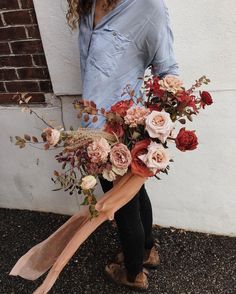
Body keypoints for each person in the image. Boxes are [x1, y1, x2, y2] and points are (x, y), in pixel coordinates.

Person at [67, 0, 179, 291]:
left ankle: (133, 273)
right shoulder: (88, 6)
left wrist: (158, 127)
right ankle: (145, 251)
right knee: (133, 195)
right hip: (94, 131)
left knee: (123, 204)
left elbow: (167, 70)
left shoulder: (147, 6)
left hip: (123, 129)